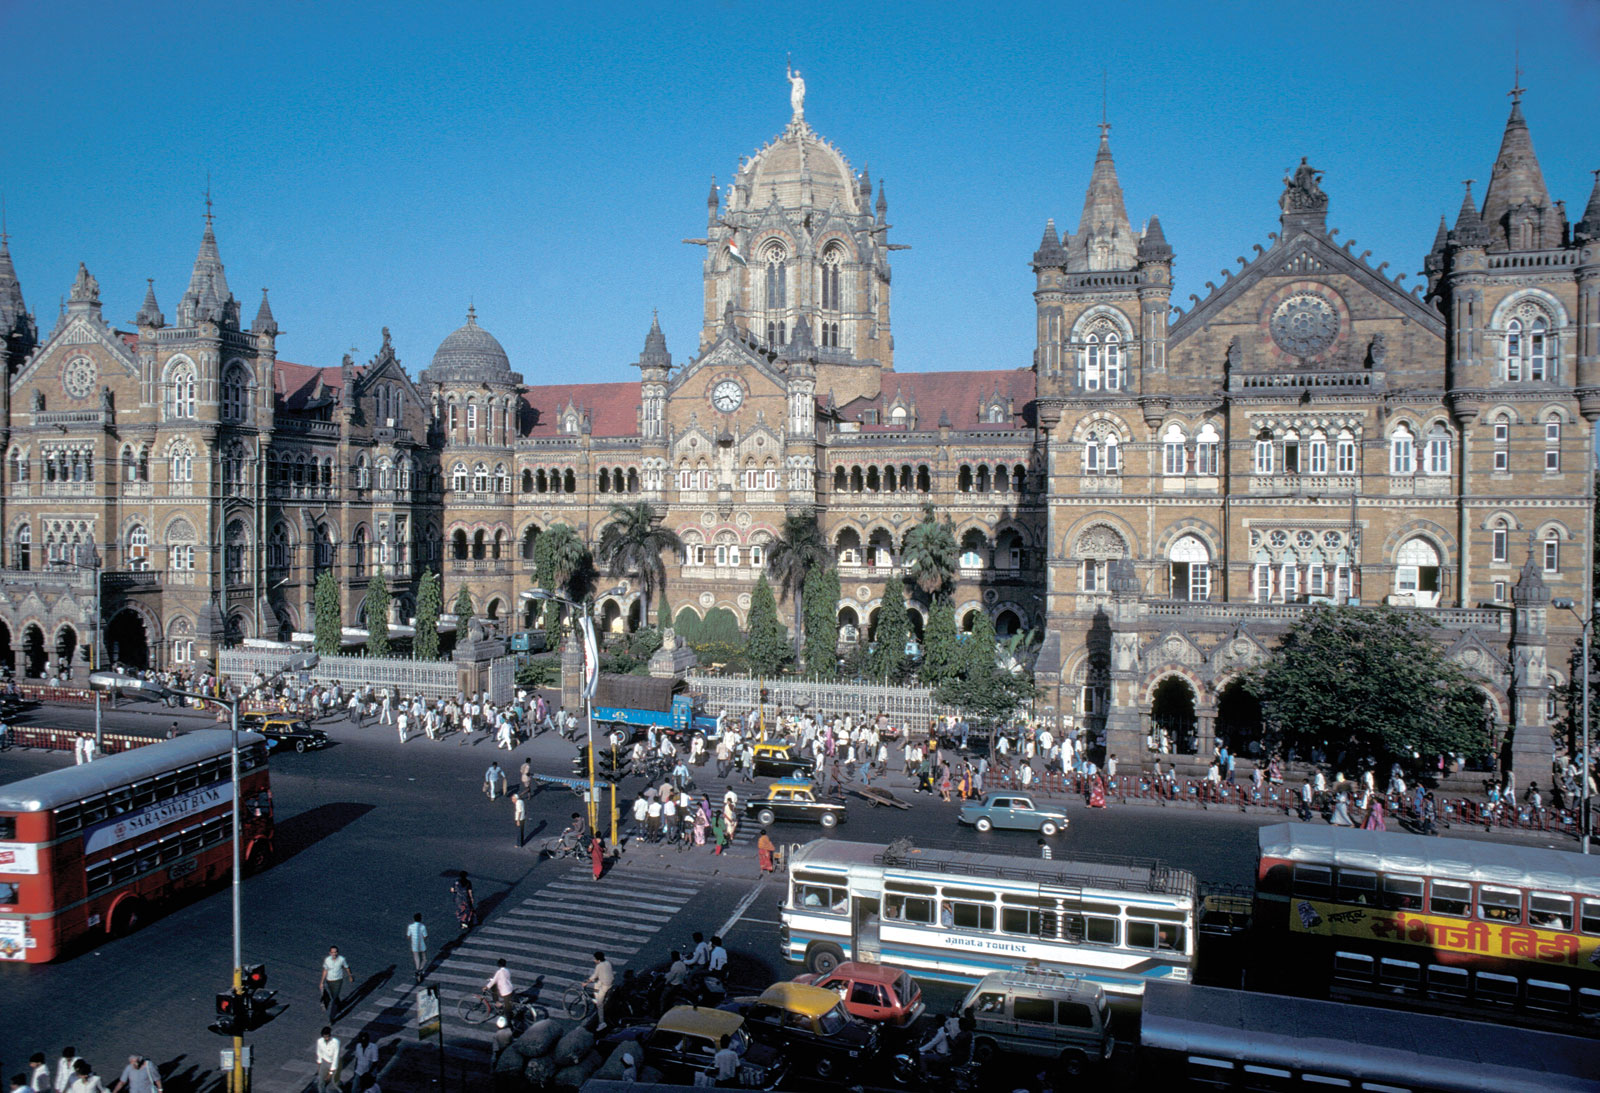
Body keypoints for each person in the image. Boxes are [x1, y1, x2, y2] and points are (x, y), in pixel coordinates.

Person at [321, 945, 353, 1022]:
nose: (334, 954)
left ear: (337, 953)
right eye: (332, 952)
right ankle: (339, 1005)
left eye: (335, 952)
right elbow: (325, 970)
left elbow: (347, 967)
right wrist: (322, 981)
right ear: (330, 953)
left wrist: (350, 976)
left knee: (334, 998)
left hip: (338, 980)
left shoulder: (341, 959)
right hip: (329, 980)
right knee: (334, 996)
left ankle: (332, 1018)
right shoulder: (327, 960)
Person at [587, 951, 615, 1031]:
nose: (594, 960)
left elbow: (594, 976)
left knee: (599, 1004)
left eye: (595, 959)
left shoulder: (599, 966)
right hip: (610, 982)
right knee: (596, 985)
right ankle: (596, 998)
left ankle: (602, 1022)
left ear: (598, 960)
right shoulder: (607, 963)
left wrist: (586, 983)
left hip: (605, 985)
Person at [315, 1028, 341, 1093]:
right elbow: (319, 1054)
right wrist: (319, 1068)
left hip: (332, 1064)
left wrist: (330, 1073)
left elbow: (335, 1058)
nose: (326, 1038)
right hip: (324, 1062)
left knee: (334, 1084)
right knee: (321, 1082)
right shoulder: (319, 1041)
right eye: (325, 1037)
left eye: (328, 1036)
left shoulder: (335, 1042)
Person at [406, 913, 427, 982]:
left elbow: (408, 936)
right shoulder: (422, 926)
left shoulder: (410, 926)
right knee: (424, 959)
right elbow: (425, 936)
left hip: (414, 945)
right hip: (422, 945)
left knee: (417, 959)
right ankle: (420, 970)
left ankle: (418, 970)